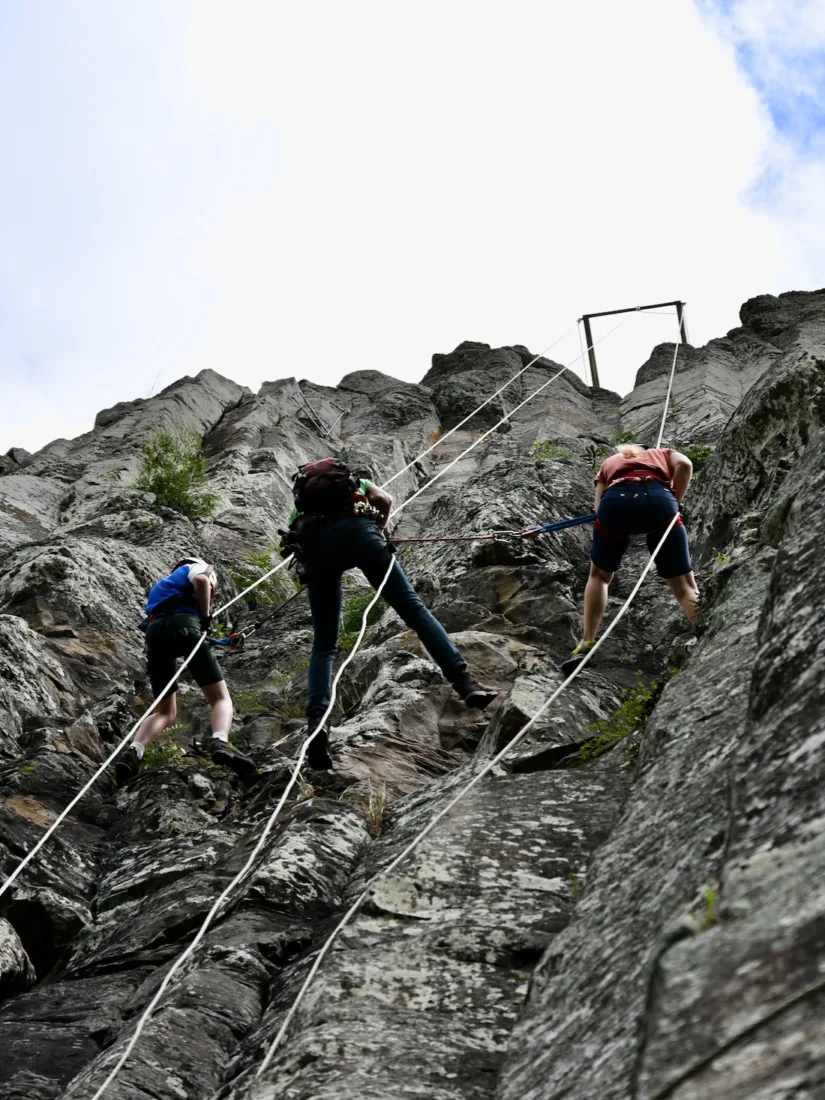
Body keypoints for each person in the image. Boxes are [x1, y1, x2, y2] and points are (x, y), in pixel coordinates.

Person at [283, 458, 499, 770]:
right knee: (415, 611)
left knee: (325, 645)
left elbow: (293, 543)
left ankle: (318, 724)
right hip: (363, 536)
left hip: (320, 552)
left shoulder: (301, 502)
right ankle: (465, 684)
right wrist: (379, 531)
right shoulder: (354, 481)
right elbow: (385, 500)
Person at [114, 557, 256, 784]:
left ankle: (135, 751)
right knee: (221, 699)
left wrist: (222, 641)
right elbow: (201, 580)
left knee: (165, 711)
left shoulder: (162, 587)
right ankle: (220, 740)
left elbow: (175, 627)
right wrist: (206, 616)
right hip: (185, 624)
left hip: (155, 635)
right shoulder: (197, 568)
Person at [561, 444, 699, 674]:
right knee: (684, 586)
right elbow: (685, 465)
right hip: (660, 500)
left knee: (599, 576)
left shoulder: (609, 462)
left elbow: (598, 507)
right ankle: (704, 630)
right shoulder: (664, 453)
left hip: (615, 501)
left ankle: (586, 643)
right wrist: (677, 500)